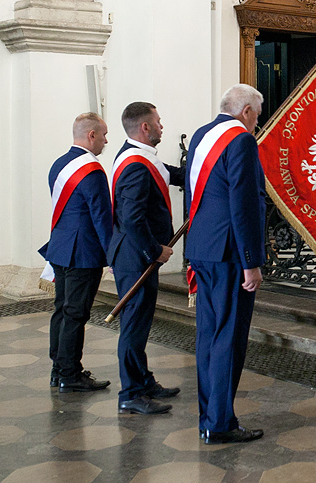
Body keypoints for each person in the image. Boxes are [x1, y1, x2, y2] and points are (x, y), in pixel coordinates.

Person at [185, 84, 268, 444]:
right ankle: (220, 423)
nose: (256, 125)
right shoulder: (241, 141)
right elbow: (244, 206)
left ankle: (209, 416)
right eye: (257, 116)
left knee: (209, 336)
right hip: (230, 255)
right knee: (229, 340)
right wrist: (251, 262)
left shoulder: (203, 135)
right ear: (246, 111)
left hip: (202, 247)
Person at [109, 102, 185, 415]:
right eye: (158, 121)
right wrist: (155, 250)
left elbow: (176, 175)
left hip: (135, 254)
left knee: (139, 324)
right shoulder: (136, 165)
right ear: (145, 128)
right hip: (134, 256)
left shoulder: (142, 158)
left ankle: (142, 380)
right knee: (134, 327)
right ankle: (131, 393)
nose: (162, 126)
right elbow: (132, 218)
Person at [43, 113, 113, 393]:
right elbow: (101, 217)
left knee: (61, 310)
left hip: (60, 247)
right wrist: (113, 255)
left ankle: (58, 369)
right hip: (83, 252)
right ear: (91, 135)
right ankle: (70, 374)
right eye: (104, 135)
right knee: (76, 314)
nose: (107, 140)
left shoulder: (58, 164)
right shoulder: (92, 170)